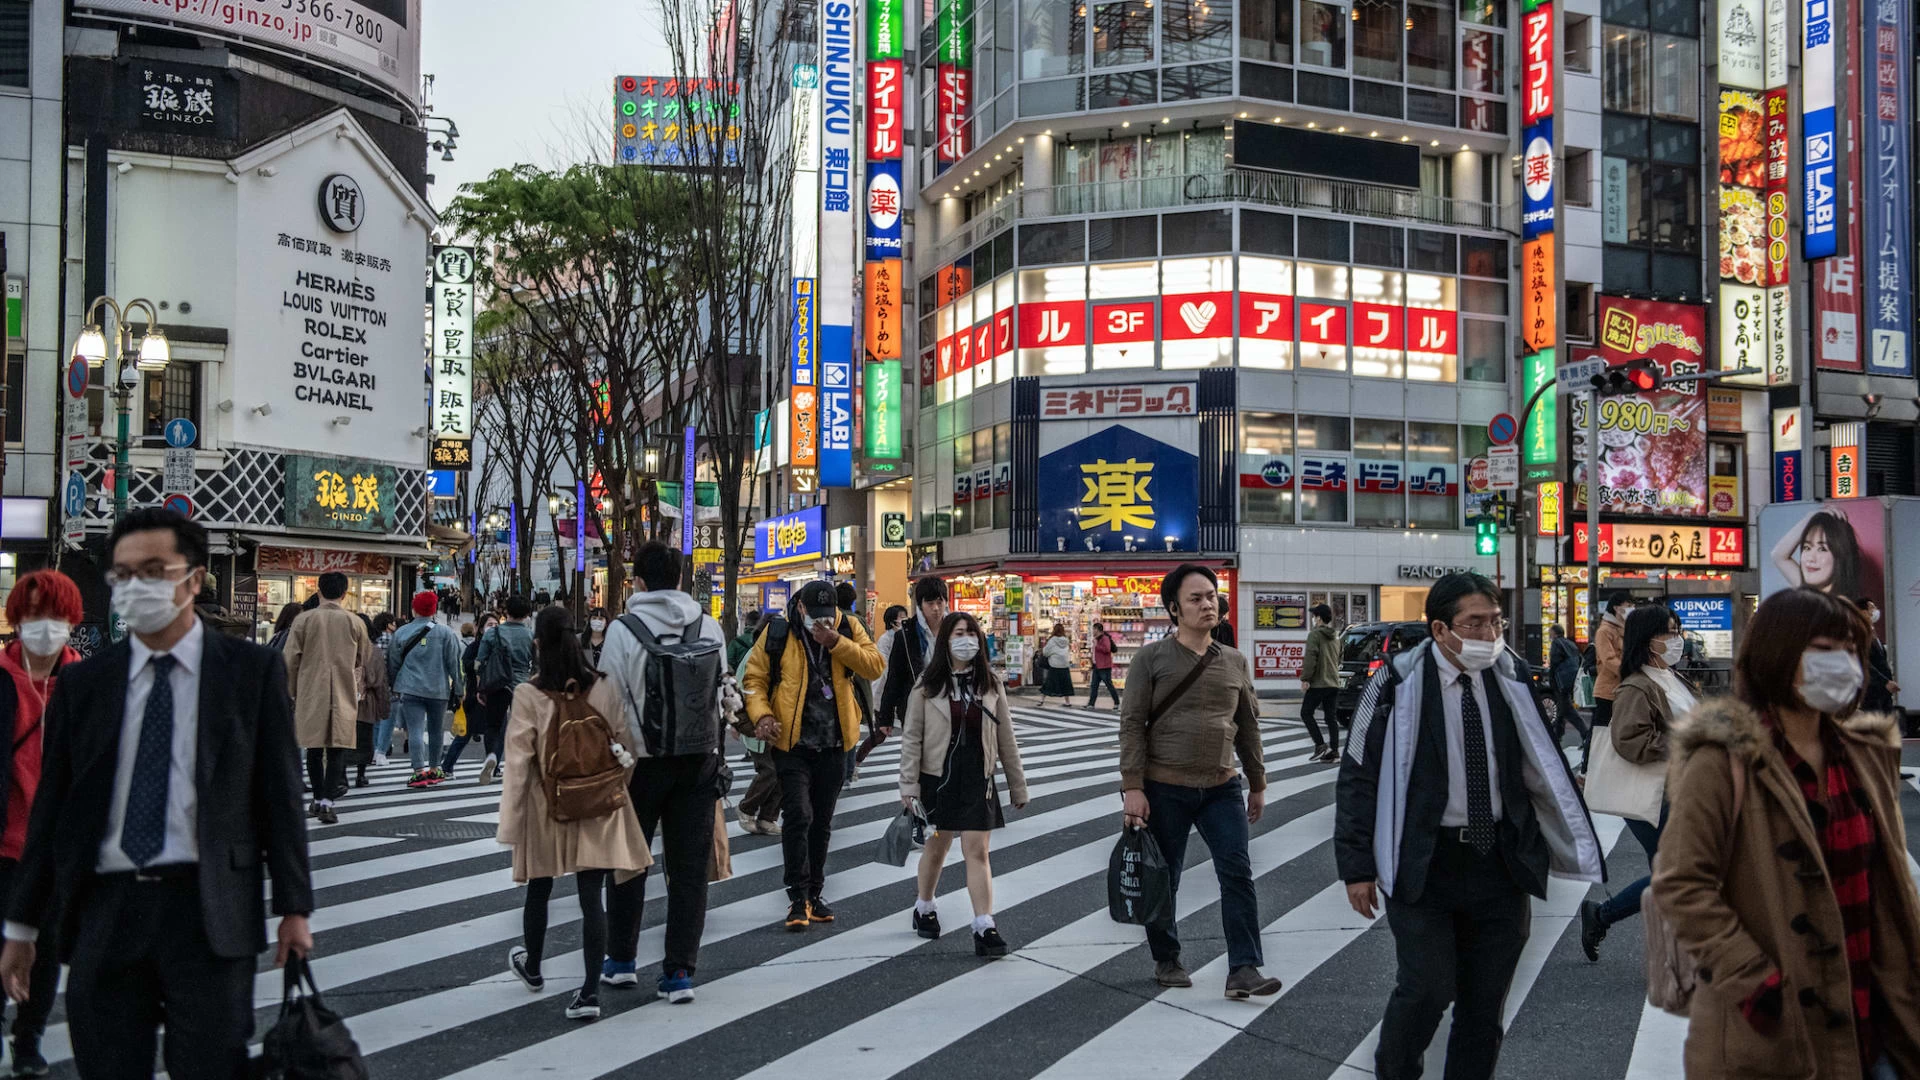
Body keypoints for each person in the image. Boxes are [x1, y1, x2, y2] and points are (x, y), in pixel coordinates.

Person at [0, 507, 313, 1079]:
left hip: (209, 907)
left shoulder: (250, 673)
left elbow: (281, 795)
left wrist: (295, 907)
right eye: (122, 575)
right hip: (107, 908)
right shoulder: (85, 684)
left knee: (211, 1066)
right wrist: (21, 927)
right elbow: (53, 810)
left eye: (152, 570)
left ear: (193, 579)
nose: (135, 587)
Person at [1336, 571, 1601, 1080]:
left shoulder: (1514, 676)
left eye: (1495, 621)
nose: (1488, 634)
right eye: (1474, 623)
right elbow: (1357, 775)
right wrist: (1356, 866)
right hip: (1424, 863)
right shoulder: (1395, 682)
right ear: (1440, 630)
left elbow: (1538, 758)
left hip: (1499, 862)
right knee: (1427, 988)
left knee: (1484, 1007)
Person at [1652, 588, 1920, 1079]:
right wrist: (1755, 979)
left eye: (1851, 651)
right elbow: (1680, 883)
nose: (1843, 664)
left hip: (1876, 1017)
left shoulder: (1866, 755)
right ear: (1778, 654)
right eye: (1823, 651)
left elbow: (1890, 881)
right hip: (1776, 1026)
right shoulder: (1722, 760)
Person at [1119, 564, 1284, 999]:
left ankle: (1244, 968)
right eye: (1196, 598)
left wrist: (1258, 781)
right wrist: (1132, 786)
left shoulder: (1233, 660)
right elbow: (1132, 723)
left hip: (1221, 786)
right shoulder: (1150, 659)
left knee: (1237, 873)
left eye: (1211, 596)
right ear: (1174, 608)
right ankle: (1167, 956)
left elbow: (1247, 725)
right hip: (1164, 786)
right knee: (1164, 876)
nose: (1207, 603)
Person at [499, 605, 652, 1023]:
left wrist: (511, 822)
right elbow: (627, 746)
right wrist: (611, 785)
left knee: (539, 887)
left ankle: (533, 967)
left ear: (538, 643)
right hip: (597, 803)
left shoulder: (529, 693)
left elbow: (517, 763)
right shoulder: (603, 686)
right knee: (591, 898)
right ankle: (588, 993)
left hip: (546, 803)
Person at [597, 542, 732, 1002]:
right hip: (699, 761)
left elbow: (606, 700)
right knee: (689, 869)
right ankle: (679, 973)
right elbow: (721, 695)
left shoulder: (622, 630)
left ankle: (620, 960)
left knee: (629, 861)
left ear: (636, 581)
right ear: (680, 579)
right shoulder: (708, 625)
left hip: (639, 765)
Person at [742, 579, 884, 932]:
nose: (821, 623)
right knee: (798, 816)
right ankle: (796, 897)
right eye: (815, 616)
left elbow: (874, 665)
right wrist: (762, 715)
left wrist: (836, 642)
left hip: (835, 743)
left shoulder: (848, 627)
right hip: (791, 744)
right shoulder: (778, 632)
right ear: (801, 608)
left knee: (821, 821)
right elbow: (754, 679)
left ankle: (815, 894)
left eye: (827, 616)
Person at [899, 612, 1029, 956]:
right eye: (959, 632)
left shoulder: (990, 683)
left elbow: (1006, 737)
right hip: (936, 779)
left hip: (978, 778)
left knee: (978, 851)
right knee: (937, 848)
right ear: (946, 640)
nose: (967, 639)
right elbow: (912, 738)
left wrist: (1018, 785)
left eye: (972, 632)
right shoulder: (928, 685)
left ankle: (984, 925)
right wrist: (909, 785)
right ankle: (924, 906)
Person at [0, 571, 83, 1075]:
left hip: (55, 850)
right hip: (4, 843)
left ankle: (27, 1038)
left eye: (54, 615)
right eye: (32, 615)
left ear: (72, 620)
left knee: (46, 953)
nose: (43, 626)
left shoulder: (87, 685)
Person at [1577, 604, 1691, 961]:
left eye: (1677, 632)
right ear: (1648, 639)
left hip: (1678, 791)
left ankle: (1603, 916)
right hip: (1655, 796)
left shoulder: (1671, 677)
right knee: (1678, 874)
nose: (1677, 640)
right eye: (1669, 633)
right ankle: (1607, 917)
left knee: (1676, 875)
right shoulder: (1637, 685)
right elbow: (1629, 740)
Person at [283, 572, 372, 826]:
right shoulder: (354, 622)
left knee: (313, 748)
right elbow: (363, 659)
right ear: (345, 593)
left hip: (311, 690)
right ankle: (328, 802)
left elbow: (290, 660)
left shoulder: (304, 620)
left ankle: (319, 796)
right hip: (343, 691)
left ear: (318, 591)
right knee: (336, 749)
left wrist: (290, 691)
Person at [388, 591, 465, 790]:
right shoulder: (446, 633)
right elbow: (454, 663)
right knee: (436, 730)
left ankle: (418, 771)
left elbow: (394, 662)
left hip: (411, 688)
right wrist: (458, 687)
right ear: (433, 610)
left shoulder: (402, 632)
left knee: (415, 729)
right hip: (438, 688)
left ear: (414, 608)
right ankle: (435, 768)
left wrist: (394, 685)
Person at [875, 578, 950, 757]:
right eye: (930, 603)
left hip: (950, 703)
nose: (935, 608)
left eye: (940, 602)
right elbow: (895, 677)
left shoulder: (956, 630)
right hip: (917, 707)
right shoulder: (906, 636)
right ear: (920, 604)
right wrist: (885, 716)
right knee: (920, 759)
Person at [473, 596, 536, 784]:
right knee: (523, 726)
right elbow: (537, 662)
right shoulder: (530, 635)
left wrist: (480, 686)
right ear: (526, 614)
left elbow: (479, 662)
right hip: (523, 685)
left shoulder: (493, 633)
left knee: (493, 725)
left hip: (497, 684)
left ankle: (491, 756)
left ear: (505, 612)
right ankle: (521, 763)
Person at [1583, 591, 1633, 772]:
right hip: (1607, 690)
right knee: (1599, 732)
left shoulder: (1625, 628)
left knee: (1615, 731)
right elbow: (1608, 659)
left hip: (1621, 689)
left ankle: (1607, 769)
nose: (1630, 609)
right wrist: (1629, 671)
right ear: (1617, 608)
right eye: (1628, 605)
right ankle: (1586, 769)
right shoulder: (1605, 631)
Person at [1770, 508, 1863, 598]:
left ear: (1841, 555)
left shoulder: (1844, 608)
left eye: (1822, 549)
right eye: (1807, 548)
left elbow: (1778, 556)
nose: (1810, 558)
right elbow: (1778, 555)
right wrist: (1811, 517)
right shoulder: (1809, 593)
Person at [1299, 603, 1342, 762]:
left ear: (1318, 618)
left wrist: (1305, 678)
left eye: (1314, 616)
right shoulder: (1335, 636)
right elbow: (1339, 657)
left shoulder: (1315, 635)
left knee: (1306, 713)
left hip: (1319, 682)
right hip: (1333, 681)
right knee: (1331, 717)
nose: (1313, 619)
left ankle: (1320, 745)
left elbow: (1311, 657)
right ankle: (1335, 751)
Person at [353, 613, 391, 789]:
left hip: (345, 699)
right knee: (365, 738)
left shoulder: (344, 648)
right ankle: (361, 774)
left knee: (345, 738)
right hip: (366, 701)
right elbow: (381, 682)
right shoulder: (373, 651)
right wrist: (384, 707)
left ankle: (341, 775)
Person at [1855, 597, 1900, 715]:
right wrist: (1885, 682)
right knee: (1875, 727)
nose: (1876, 611)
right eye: (1872, 608)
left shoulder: (1872, 632)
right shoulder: (1860, 634)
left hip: (1884, 692)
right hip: (1872, 691)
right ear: (1863, 612)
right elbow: (1864, 662)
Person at [1547, 624, 1589, 747]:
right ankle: (1557, 736)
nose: (1549, 634)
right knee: (1562, 708)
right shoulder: (1570, 644)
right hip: (1571, 680)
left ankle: (1585, 734)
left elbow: (1554, 663)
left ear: (1554, 633)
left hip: (1561, 682)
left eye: (1550, 632)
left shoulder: (1556, 644)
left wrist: (1551, 679)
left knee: (1567, 710)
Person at [369, 612, 400, 765]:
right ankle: (381, 751)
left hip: (372, 684)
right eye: (393, 623)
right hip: (388, 684)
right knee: (388, 719)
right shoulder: (391, 640)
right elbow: (393, 663)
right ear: (388, 625)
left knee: (375, 719)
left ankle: (374, 749)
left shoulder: (371, 639)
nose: (395, 626)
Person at [1085, 620, 1120, 709]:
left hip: (1104, 666)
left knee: (1109, 685)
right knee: (1094, 686)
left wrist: (1097, 646)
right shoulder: (1096, 639)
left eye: (1093, 629)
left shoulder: (1104, 638)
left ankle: (1117, 703)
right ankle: (1091, 704)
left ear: (1097, 629)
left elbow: (1107, 649)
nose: (1092, 631)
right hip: (1097, 666)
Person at [1040, 625, 1074, 704]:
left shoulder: (1052, 640)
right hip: (1065, 664)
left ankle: (1042, 700)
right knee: (1065, 684)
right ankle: (1067, 702)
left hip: (1055, 664)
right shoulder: (1066, 640)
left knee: (1049, 683)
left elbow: (1046, 652)